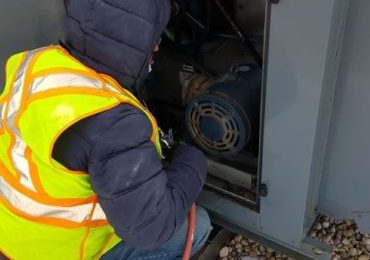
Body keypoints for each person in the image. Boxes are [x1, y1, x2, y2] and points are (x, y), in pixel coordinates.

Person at [0, 0, 211, 259]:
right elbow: (151, 228)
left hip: (12, 234)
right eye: (155, 36)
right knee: (195, 225)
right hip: (54, 252)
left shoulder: (36, 65)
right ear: (137, 39)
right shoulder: (114, 124)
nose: (157, 46)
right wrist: (193, 161)